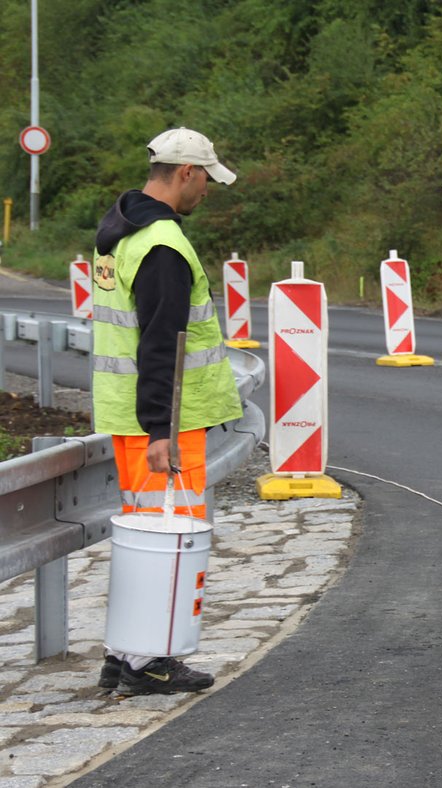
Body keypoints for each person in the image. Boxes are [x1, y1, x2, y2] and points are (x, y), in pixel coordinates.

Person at [91, 127, 243, 694]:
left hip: (133, 417)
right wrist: (162, 428)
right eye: (207, 179)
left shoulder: (122, 232)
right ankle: (147, 661)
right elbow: (162, 341)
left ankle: (124, 653)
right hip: (165, 425)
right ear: (186, 173)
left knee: (145, 537)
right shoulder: (162, 246)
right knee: (169, 537)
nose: (208, 191)